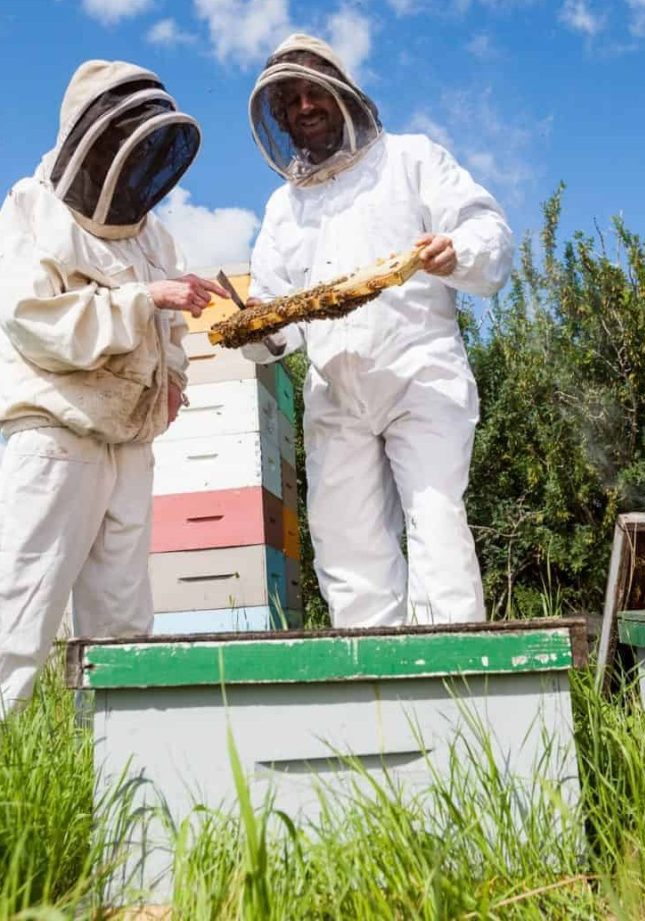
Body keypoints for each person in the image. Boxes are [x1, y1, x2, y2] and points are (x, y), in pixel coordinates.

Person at [243, 34, 513, 628]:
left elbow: (485, 231)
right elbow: (279, 315)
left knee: (436, 523)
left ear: (344, 94)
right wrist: (260, 332)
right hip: (336, 394)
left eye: (314, 92)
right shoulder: (284, 208)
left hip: (421, 375)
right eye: (290, 101)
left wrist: (455, 250)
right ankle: (377, 697)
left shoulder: (412, 159)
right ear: (280, 118)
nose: (304, 107)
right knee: (346, 543)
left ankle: (460, 692)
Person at [0, 60, 226, 716]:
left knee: (124, 622)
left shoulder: (154, 233)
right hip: (56, 432)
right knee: (20, 609)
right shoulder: (29, 210)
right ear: (90, 137)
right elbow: (36, 325)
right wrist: (144, 297)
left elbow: (171, 329)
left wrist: (175, 377)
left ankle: (121, 771)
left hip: (130, 437)